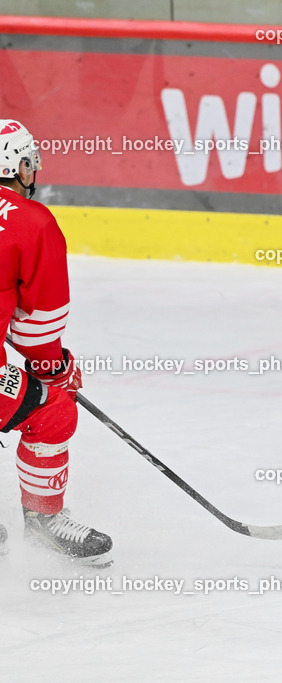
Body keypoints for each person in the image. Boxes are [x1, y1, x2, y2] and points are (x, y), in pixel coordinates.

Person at [0, 119, 112, 567]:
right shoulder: (31, 222)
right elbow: (37, 329)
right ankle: (45, 523)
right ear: (20, 165)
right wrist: (56, 371)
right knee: (51, 410)